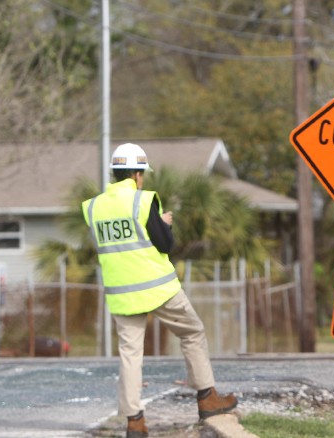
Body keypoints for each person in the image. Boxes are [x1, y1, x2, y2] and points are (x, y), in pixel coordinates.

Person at [82, 143, 237, 438]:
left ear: (114, 174)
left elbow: (108, 245)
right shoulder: (143, 201)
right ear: (138, 174)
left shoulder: (94, 206)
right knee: (192, 332)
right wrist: (164, 224)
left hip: (121, 292)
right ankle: (207, 398)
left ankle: (135, 422)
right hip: (158, 287)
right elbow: (164, 244)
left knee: (130, 355)